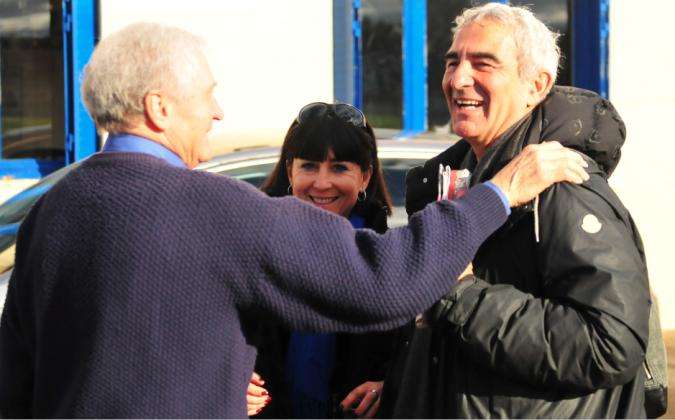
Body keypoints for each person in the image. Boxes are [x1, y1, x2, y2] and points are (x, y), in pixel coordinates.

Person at [0, 22, 587, 418]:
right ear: (158, 108)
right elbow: (386, 280)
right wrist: (499, 194)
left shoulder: (54, 211)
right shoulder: (214, 208)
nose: (218, 111)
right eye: (207, 95)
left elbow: (19, 379)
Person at [379, 3, 650, 418]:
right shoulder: (458, 181)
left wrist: (461, 294)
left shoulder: (562, 187)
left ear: (536, 85)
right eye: (453, 62)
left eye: (483, 64)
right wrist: (395, 385)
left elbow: (609, 343)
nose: (458, 79)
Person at [248, 103, 396, 419]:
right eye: (310, 166)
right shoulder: (250, 252)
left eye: (340, 167)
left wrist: (390, 385)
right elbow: (208, 335)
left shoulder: (389, 260)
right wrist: (232, 376)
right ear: (290, 171)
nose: (322, 183)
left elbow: (418, 354)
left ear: (365, 177)